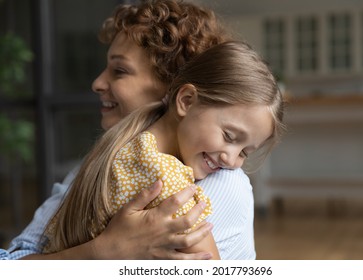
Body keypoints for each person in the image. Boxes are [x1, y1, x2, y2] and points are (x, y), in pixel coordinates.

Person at [0, 0, 267, 260]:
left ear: (176, 92)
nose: (97, 83)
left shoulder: (217, 183)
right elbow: (13, 259)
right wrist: (99, 253)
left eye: (119, 71)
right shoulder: (94, 164)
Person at [42, 41, 284, 260]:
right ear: (187, 100)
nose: (231, 159)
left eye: (244, 153)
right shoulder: (167, 182)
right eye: (229, 136)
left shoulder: (126, 142)